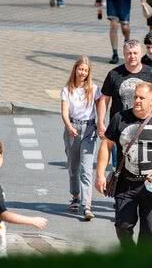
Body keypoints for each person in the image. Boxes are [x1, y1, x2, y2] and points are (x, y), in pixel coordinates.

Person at [95, 82, 152, 248]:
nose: (137, 100)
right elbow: (106, 145)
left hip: (150, 184)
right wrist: (100, 174)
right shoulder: (120, 118)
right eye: (135, 97)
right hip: (125, 183)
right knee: (122, 226)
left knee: (149, 230)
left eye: (142, 97)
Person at [97, 39, 152, 167]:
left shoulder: (151, 73)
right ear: (124, 54)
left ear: (141, 54)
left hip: (144, 126)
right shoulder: (114, 74)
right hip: (120, 125)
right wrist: (101, 122)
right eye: (129, 53)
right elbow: (104, 99)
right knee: (119, 164)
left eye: (135, 53)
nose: (132, 56)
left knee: (143, 163)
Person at [60, 56, 103, 220]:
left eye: (86, 70)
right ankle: (75, 197)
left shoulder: (93, 88)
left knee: (86, 168)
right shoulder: (67, 89)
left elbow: (101, 105)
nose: (83, 73)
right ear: (75, 70)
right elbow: (64, 112)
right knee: (73, 166)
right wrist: (69, 126)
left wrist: (100, 123)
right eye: (80, 69)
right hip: (72, 128)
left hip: (89, 129)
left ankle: (87, 206)